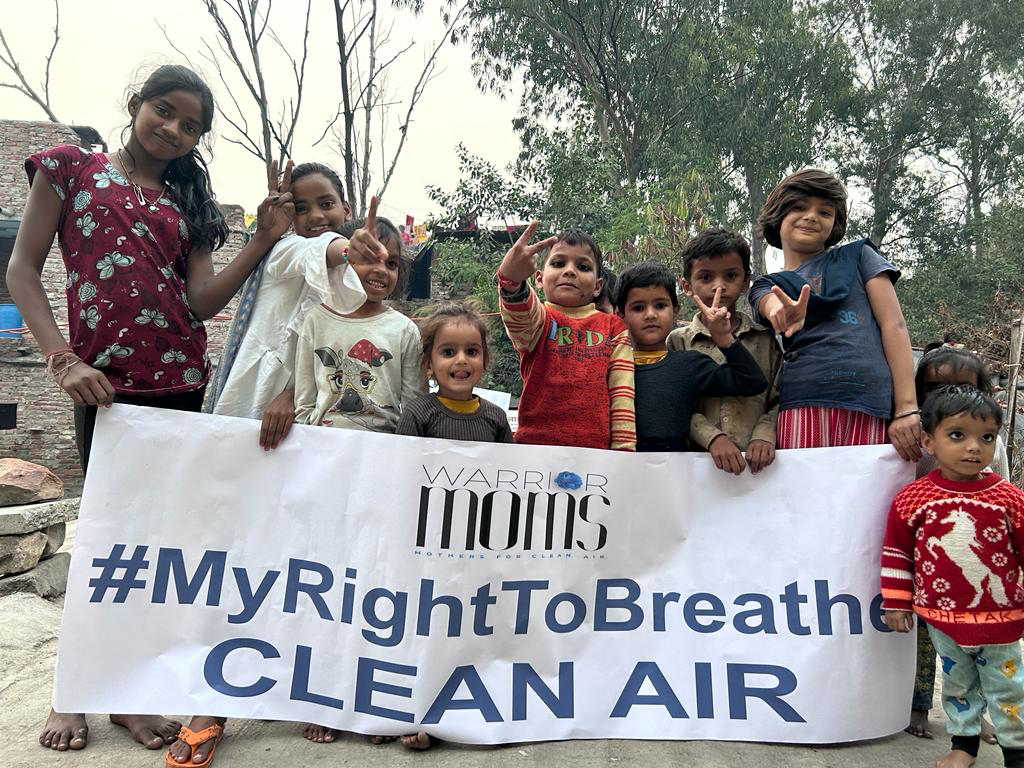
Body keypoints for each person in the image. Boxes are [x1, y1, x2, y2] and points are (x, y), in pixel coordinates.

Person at [5, 64, 292, 760]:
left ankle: (129, 692)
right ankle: (73, 692)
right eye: (164, 111)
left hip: (179, 387)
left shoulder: (188, 204)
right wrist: (62, 360)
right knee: (103, 539)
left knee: (149, 549)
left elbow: (199, 304)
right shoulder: (71, 169)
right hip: (102, 390)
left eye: (190, 126)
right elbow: (21, 271)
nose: (173, 130)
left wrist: (262, 237)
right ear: (135, 103)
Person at [882, 385, 1024, 768]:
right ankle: (964, 745)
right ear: (928, 441)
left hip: (1001, 620)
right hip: (941, 620)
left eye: (987, 437)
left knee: (1008, 688)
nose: (973, 447)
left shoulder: (1009, 499)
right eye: (957, 435)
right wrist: (896, 601)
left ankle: (1017, 751)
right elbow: (897, 553)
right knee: (958, 687)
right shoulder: (913, 499)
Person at [747, 168, 921, 462]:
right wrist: (782, 313)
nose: (812, 216)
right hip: (805, 401)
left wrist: (906, 408)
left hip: (870, 403)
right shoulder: (769, 284)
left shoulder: (859, 258)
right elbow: (769, 305)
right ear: (779, 215)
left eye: (824, 212)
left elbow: (895, 325)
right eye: (799, 207)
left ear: (835, 223)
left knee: (865, 501)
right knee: (807, 498)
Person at [207, 162, 368, 449]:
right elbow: (322, 249)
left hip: (311, 412)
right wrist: (347, 250)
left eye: (326, 203)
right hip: (256, 402)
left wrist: (294, 394)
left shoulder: (352, 279)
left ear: (347, 209)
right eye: (302, 208)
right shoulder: (284, 250)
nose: (316, 215)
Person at [906, 346, 1009, 742]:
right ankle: (918, 704)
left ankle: (976, 713)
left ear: (982, 392)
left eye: (961, 387)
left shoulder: (990, 445)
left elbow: (1001, 493)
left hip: (972, 557)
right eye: (935, 387)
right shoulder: (915, 441)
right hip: (924, 554)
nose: (947, 396)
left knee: (976, 642)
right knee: (923, 640)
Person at [496, 223, 635, 450]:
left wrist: (624, 451)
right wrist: (511, 281)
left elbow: (622, 392)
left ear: (598, 286)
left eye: (583, 266)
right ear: (539, 279)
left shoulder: (614, 328)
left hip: (596, 454)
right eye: (559, 263)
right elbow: (519, 312)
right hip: (534, 449)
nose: (569, 271)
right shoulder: (540, 320)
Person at [293, 204, 422, 432]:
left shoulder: (405, 330)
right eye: (369, 259)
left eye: (391, 263)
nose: (382, 270)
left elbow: (414, 405)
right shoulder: (315, 321)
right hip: (322, 448)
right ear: (344, 260)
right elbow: (304, 400)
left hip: (383, 451)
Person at [616, 261, 767, 452]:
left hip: (678, 474)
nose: (650, 315)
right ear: (620, 315)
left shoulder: (689, 364)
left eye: (660, 305)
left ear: (675, 310)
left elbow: (752, 382)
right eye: (638, 308)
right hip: (619, 471)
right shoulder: (612, 367)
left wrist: (723, 338)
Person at [669, 228, 782, 474]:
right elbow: (673, 403)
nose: (718, 286)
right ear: (687, 285)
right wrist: (711, 437)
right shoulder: (678, 342)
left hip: (760, 469)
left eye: (730, 275)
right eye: (706, 277)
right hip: (697, 468)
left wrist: (764, 435)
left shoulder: (764, 339)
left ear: (745, 281)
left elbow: (779, 397)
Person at [397, 302, 514, 443]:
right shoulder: (416, 414)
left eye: (471, 351)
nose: (461, 360)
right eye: (448, 352)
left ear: (485, 361)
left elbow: (506, 464)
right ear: (429, 364)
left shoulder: (497, 418)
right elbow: (402, 462)